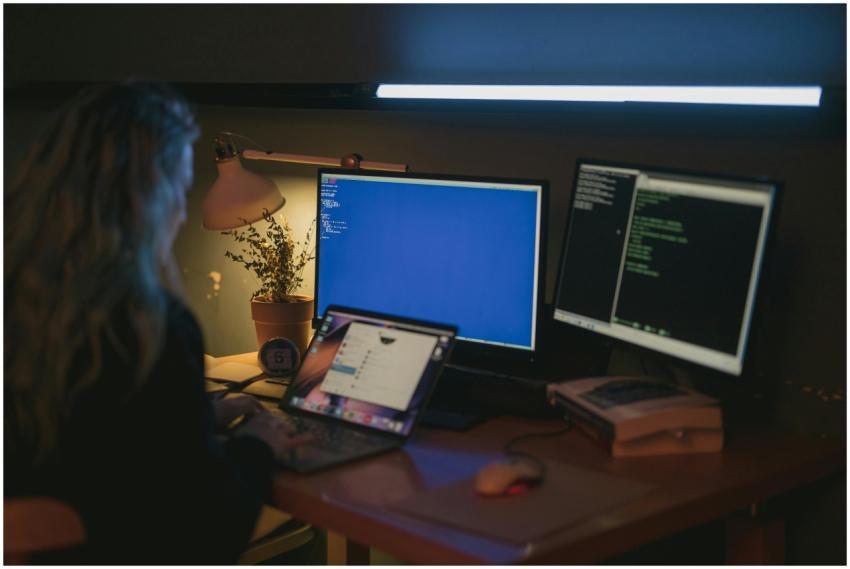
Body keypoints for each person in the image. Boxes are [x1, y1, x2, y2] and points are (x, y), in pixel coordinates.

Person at [5, 81, 311, 563]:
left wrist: (197, 413)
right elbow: (206, 531)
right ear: (153, 196)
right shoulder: (149, 326)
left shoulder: (22, 302)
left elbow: (92, 436)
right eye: (181, 188)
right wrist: (257, 444)